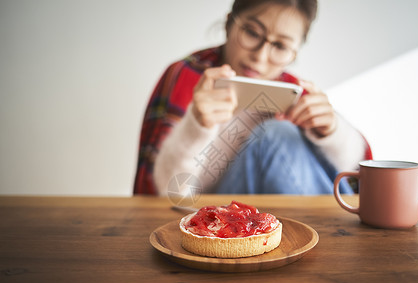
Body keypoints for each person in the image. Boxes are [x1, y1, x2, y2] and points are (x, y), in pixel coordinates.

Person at [134, 0, 372, 195]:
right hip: (211, 220)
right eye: (251, 32)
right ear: (229, 25)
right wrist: (196, 126)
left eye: (279, 46)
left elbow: (356, 178)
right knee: (275, 136)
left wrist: (331, 130)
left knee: (280, 134)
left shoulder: (295, 93)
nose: (260, 56)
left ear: (294, 53)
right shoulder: (186, 76)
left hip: (276, 223)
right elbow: (162, 195)